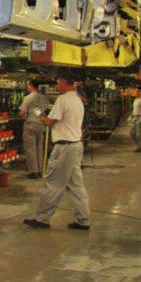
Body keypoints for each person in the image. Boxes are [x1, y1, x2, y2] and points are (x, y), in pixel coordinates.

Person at [23, 72, 91, 230]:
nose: (57, 85)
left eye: (58, 82)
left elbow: (50, 123)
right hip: (75, 145)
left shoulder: (63, 99)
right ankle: (83, 220)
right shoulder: (77, 99)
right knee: (76, 185)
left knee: (54, 183)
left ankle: (42, 219)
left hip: (64, 147)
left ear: (65, 82)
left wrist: (40, 115)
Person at [18, 79, 51, 177]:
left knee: (30, 148)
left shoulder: (28, 98)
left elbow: (22, 113)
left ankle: (33, 171)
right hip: (41, 125)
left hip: (30, 125)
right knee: (39, 148)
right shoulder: (43, 98)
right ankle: (40, 170)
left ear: (30, 85)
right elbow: (44, 111)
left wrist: (19, 114)